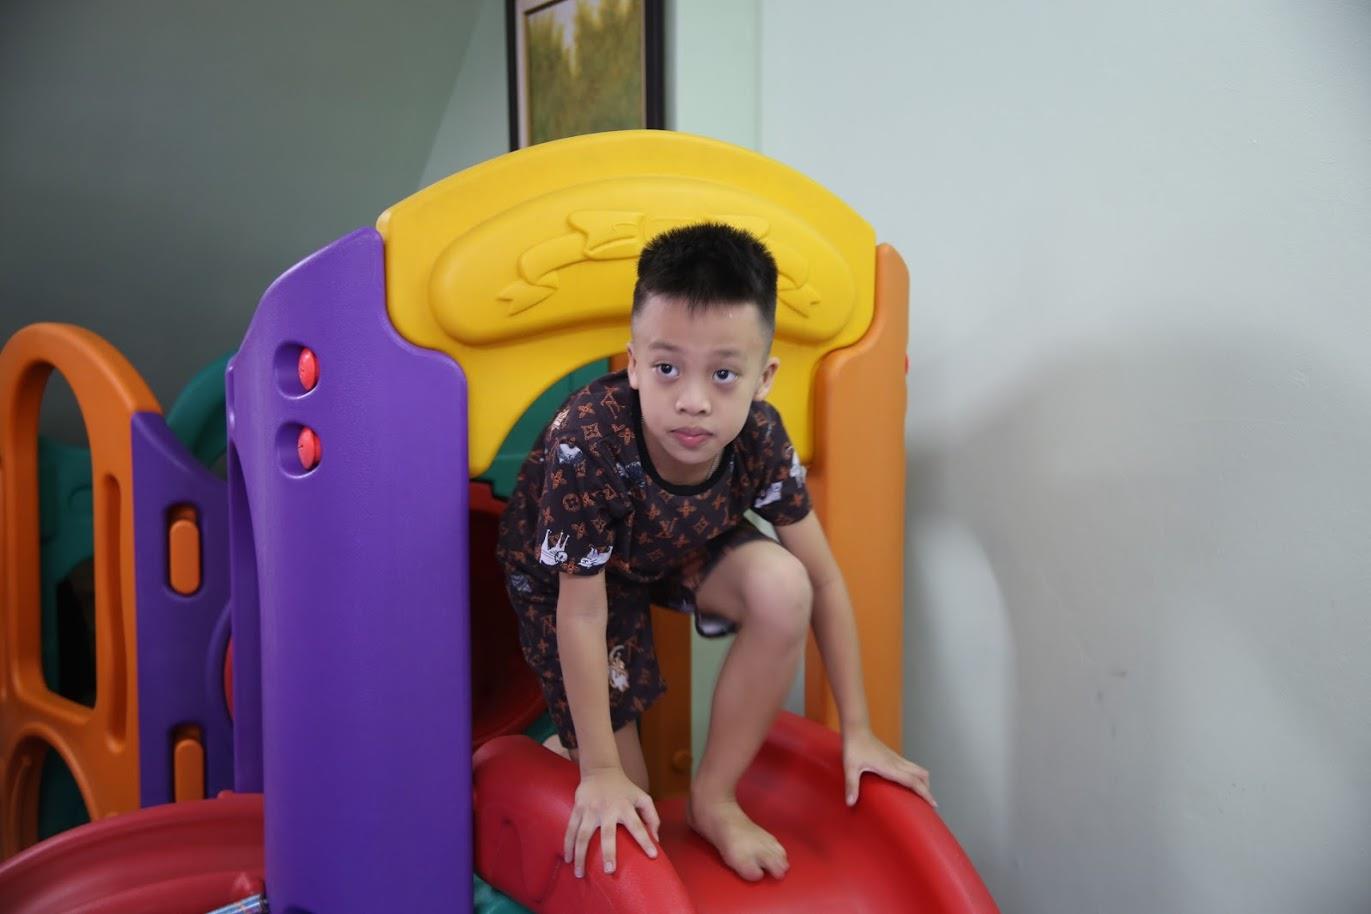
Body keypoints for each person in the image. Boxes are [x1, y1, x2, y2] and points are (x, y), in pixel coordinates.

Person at [496, 222, 935, 883]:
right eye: (667, 368)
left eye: (724, 374)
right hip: (568, 580)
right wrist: (601, 771)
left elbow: (823, 580)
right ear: (634, 365)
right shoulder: (588, 443)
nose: (694, 401)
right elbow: (580, 613)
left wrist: (860, 730)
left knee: (785, 585)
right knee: (628, 797)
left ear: (763, 378)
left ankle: (714, 798)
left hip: (675, 543)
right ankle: (564, 751)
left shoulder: (760, 438)